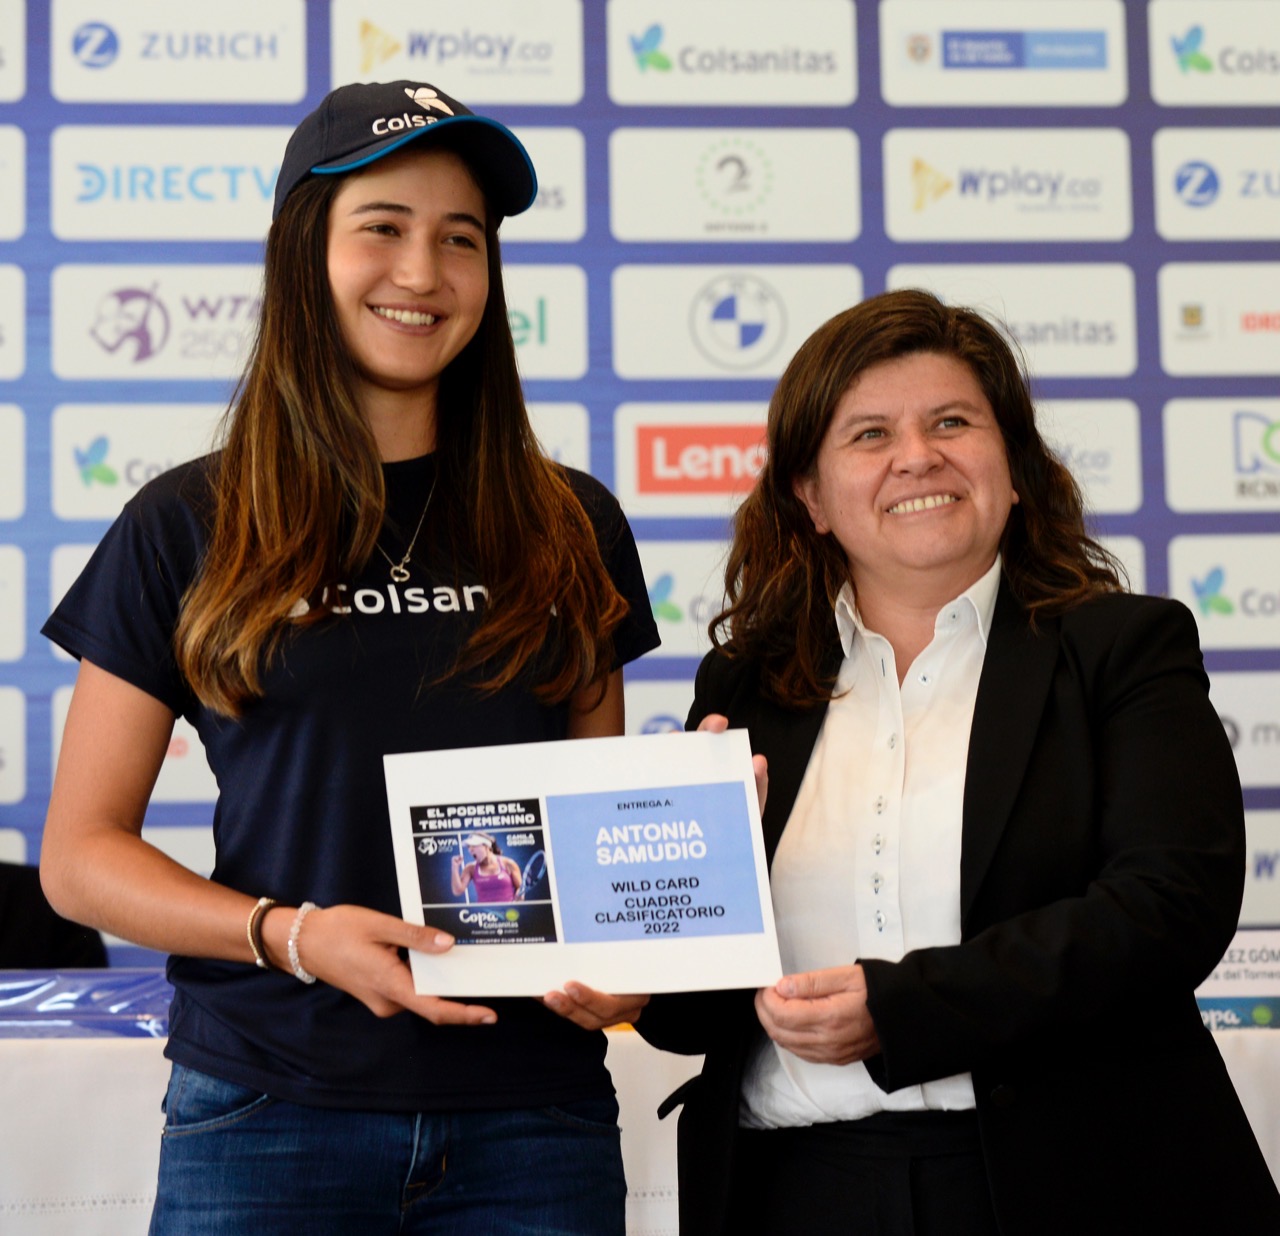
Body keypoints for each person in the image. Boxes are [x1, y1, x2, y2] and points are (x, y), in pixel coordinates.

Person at [39, 80, 657, 1236]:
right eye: (382, 227)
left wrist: (657, 897)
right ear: (303, 252)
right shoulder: (188, 523)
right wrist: (291, 934)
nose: (422, 272)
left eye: (460, 238)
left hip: (532, 1122)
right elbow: (79, 858)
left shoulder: (570, 523)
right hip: (266, 1108)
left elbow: (590, 840)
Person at [637, 289, 1280, 1234]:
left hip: (1075, 1185)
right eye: (869, 434)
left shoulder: (1121, 649)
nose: (917, 456)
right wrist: (650, 939)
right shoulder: (747, 684)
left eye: (951, 422)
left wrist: (906, 1007)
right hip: (796, 1192)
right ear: (810, 498)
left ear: (1014, 468)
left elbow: (1170, 905)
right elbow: (692, 1016)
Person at [452, 832, 522, 902]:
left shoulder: (508, 864)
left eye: (474, 846)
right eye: (469, 847)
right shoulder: (470, 868)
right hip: (483, 909)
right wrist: (455, 867)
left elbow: (520, 889)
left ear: (487, 846)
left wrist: (518, 900)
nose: (470, 850)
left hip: (509, 909)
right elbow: (457, 891)